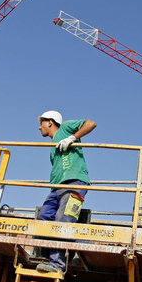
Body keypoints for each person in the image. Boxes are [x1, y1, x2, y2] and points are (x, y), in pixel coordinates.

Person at [35, 110, 97, 273]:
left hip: (75, 182)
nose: (39, 127)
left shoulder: (65, 128)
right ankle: (62, 249)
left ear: (50, 122)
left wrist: (71, 138)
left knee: (64, 219)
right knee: (44, 217)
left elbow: (91, 123)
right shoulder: (52, 149)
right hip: (57, 188)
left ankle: (57, 265)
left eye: (41, 123)